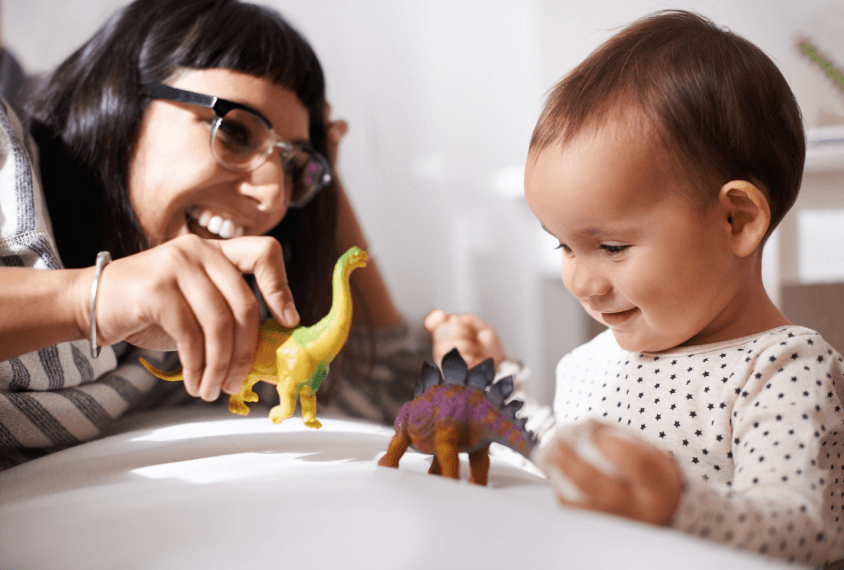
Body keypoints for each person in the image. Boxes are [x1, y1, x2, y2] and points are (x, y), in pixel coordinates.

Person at [425, 10, 844, 568]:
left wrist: (675, 507)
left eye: (612, 248)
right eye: (565, 247)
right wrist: (492, 386)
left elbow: (807, 532)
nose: (582, 281)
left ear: (736, 221)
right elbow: (558, 465)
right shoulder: (587, 364)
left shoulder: (782, 368)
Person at [0, 0, 417, 470]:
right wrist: (86, 299)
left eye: (292, 169)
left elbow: (393, 391)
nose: (273, 196)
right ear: (121, 98)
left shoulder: (203, 329)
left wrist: (323, 177)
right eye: (236, 132)